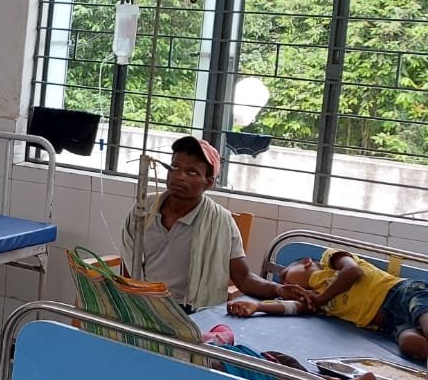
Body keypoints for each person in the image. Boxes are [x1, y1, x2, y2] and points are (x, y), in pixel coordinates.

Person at [119, 135, 288, 311]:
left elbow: (243, 278)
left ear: (209, 182)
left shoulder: (221, 222)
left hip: (190, 310)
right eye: (175, 167)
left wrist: (279, 289)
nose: (179, 176)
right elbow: (129, 262)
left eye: (191, 172)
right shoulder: (143, 208)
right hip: (142, 302)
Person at [228, 248, 428, 360]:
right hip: (390, 323)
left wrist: (321, 298)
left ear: (306, 262)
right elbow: (293, 307)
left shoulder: (330, 261)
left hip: (401, 293)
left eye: (286, 276)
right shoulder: (317, 300)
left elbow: (354, 272)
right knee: (410, 343)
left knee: (424, 316)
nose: (287, 283)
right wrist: (258, 307)